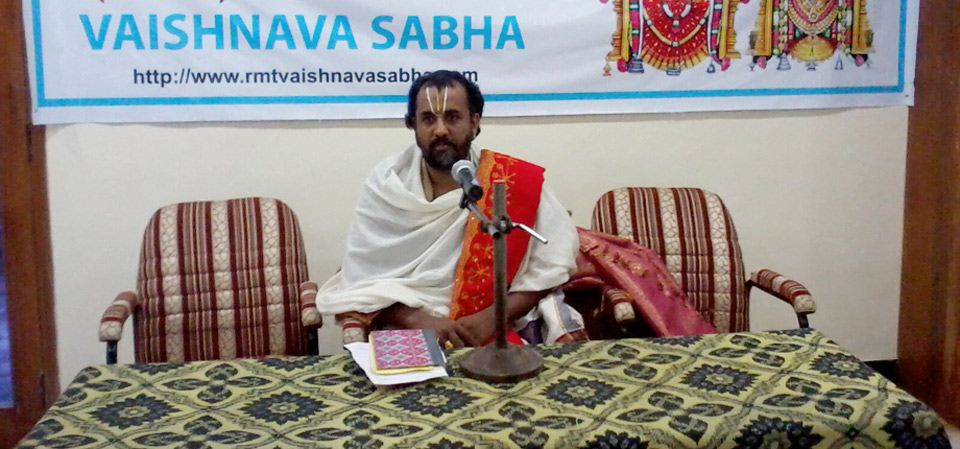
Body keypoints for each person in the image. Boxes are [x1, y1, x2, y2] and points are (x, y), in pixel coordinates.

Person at [316, 70, 586, 348]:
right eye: (428, 119)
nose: (440, 130)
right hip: (410, 325)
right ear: (412, 124)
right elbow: (362, 279)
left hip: (503, 319)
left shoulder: (511, 180)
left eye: (453, 117)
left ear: (474, 123)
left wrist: (493, 316)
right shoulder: (387, 187)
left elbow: (553, 263)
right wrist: (418, 320)